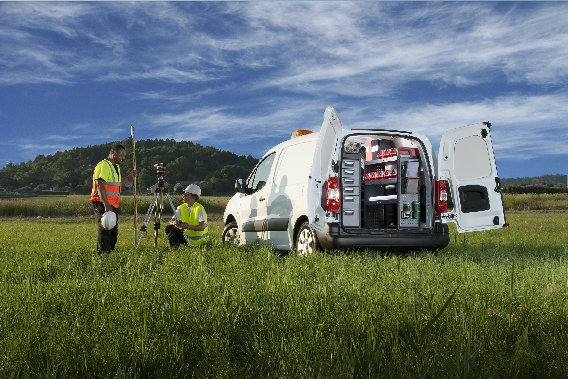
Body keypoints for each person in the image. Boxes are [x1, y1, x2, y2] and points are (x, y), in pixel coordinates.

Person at [90, 144, 137, 253]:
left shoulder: (116, 168)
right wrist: (106, 204)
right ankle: (103, 256)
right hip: (102, 202)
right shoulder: (103, 165)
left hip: (113, 204)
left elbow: (118, 185)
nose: (123, 158)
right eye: (121, 155)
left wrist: (130, 177)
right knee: (105, 228)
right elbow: (100, 185)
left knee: (113, 231)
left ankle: (110, 253)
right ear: (114, 153)